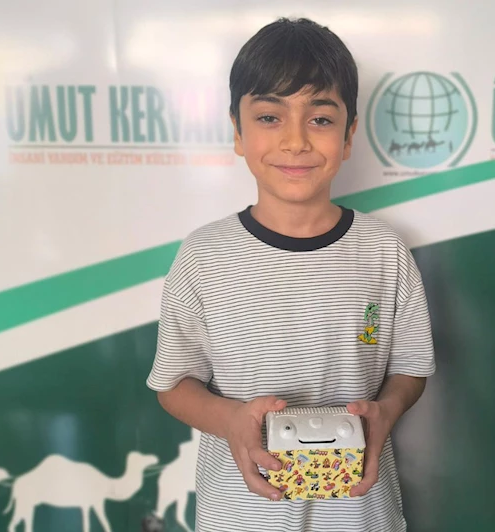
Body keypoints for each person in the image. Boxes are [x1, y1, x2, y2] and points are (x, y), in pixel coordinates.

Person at [146, 17, 435, 532]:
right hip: (240, 517)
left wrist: (386, 411)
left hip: (359, 515)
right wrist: (231, 421)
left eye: (320, 119)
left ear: (349, 135)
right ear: (238, 131)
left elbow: (411, 368)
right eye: (269, 117)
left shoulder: (383, 251)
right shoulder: (204, 255)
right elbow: (174, 384)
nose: (296, 141)